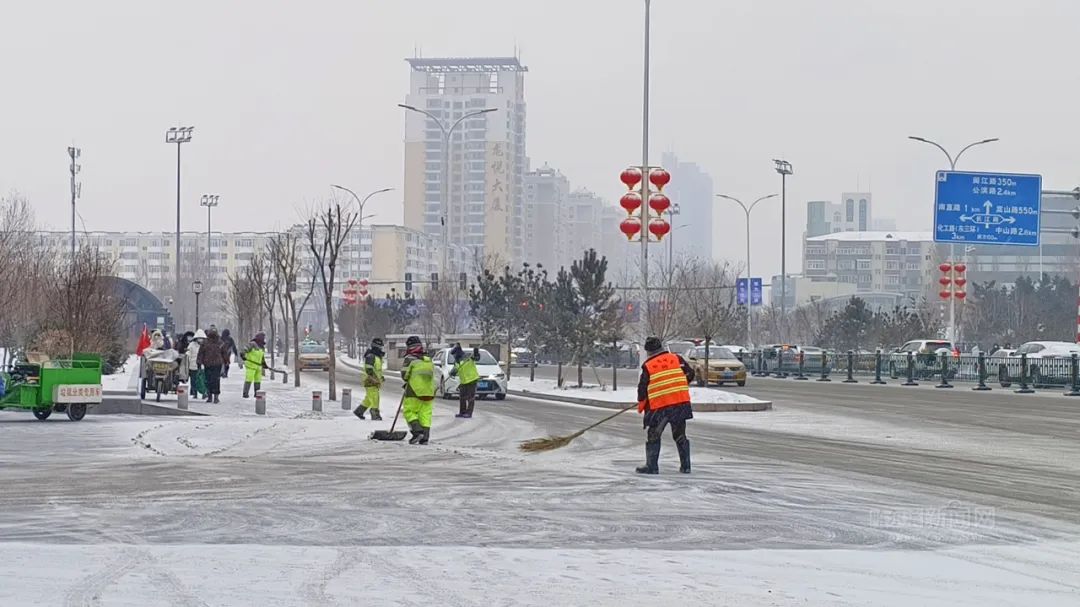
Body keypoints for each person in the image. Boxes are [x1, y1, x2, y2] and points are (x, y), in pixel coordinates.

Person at [635, 336, 694, 475]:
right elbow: (690, 373)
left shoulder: (648, 366)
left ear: (648, 351)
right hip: (680, 403)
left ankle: (652, 467)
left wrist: (641, 403)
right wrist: (677, 385)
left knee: (654, 435)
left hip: (660, 407)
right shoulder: (677, 359)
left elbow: (642, 389)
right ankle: (686, 466)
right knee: (680, 435)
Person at [401, 335, 436, 445]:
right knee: (425, 414)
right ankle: (425, 437)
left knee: (409, 411)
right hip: (429, 392)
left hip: (414, 392)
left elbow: (404, 375)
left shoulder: (410, 359)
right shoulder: (428, 360)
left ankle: (417, 432)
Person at [354, 338, 385, 421]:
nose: (381, 349)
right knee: (375, 397)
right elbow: (369, 369)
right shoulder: (371, 356)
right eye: (380, 347)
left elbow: (376, 369)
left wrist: (380, 377)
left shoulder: (376, 356)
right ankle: (375, 413)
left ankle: (359, 411)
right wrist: (374, 378)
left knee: (369, 397)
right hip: (370, 380)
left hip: (373, 380)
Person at [450, 344, 480, 419]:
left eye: (454, 354)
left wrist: (476, 353)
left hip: (472, 380)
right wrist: (452, 372)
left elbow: (477, 358)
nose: (453, 356)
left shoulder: (468, 357)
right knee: (462, 397)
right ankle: (462, 412)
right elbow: (454, 369)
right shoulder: (456, 362)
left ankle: (469, 413)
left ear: (458, 352)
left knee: (470, 398)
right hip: (463, 381)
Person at [197, 327, 226, 403]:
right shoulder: (219, 342)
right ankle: (213, 396)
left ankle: (213, 396)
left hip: (211, 364)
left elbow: (200, 354)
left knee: (211, 380)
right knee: (213, 380)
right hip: (213, 363)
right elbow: (224, 353)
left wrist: (199, 363)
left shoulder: (207, 342)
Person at [242, 332, 269, 399]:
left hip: (258, 367)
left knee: (258, 380)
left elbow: (261, 357)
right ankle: (245, 393)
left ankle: (257, 394)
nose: (264, 339)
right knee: (249, 379)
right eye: (263, 337)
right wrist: (243, 354)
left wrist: (264, 364)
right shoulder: (252, 344)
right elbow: (245, 349)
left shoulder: (262, 347)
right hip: (251, 365)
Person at [187, 329, 206, 399]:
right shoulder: (191, 345)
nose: (200, 340)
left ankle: (204, 393)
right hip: (193, 366)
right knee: (194, 381)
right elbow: (188, 354)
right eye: (199, 338)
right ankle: (195, 393)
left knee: (202, 380)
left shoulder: (205, 345)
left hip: (202, 366)